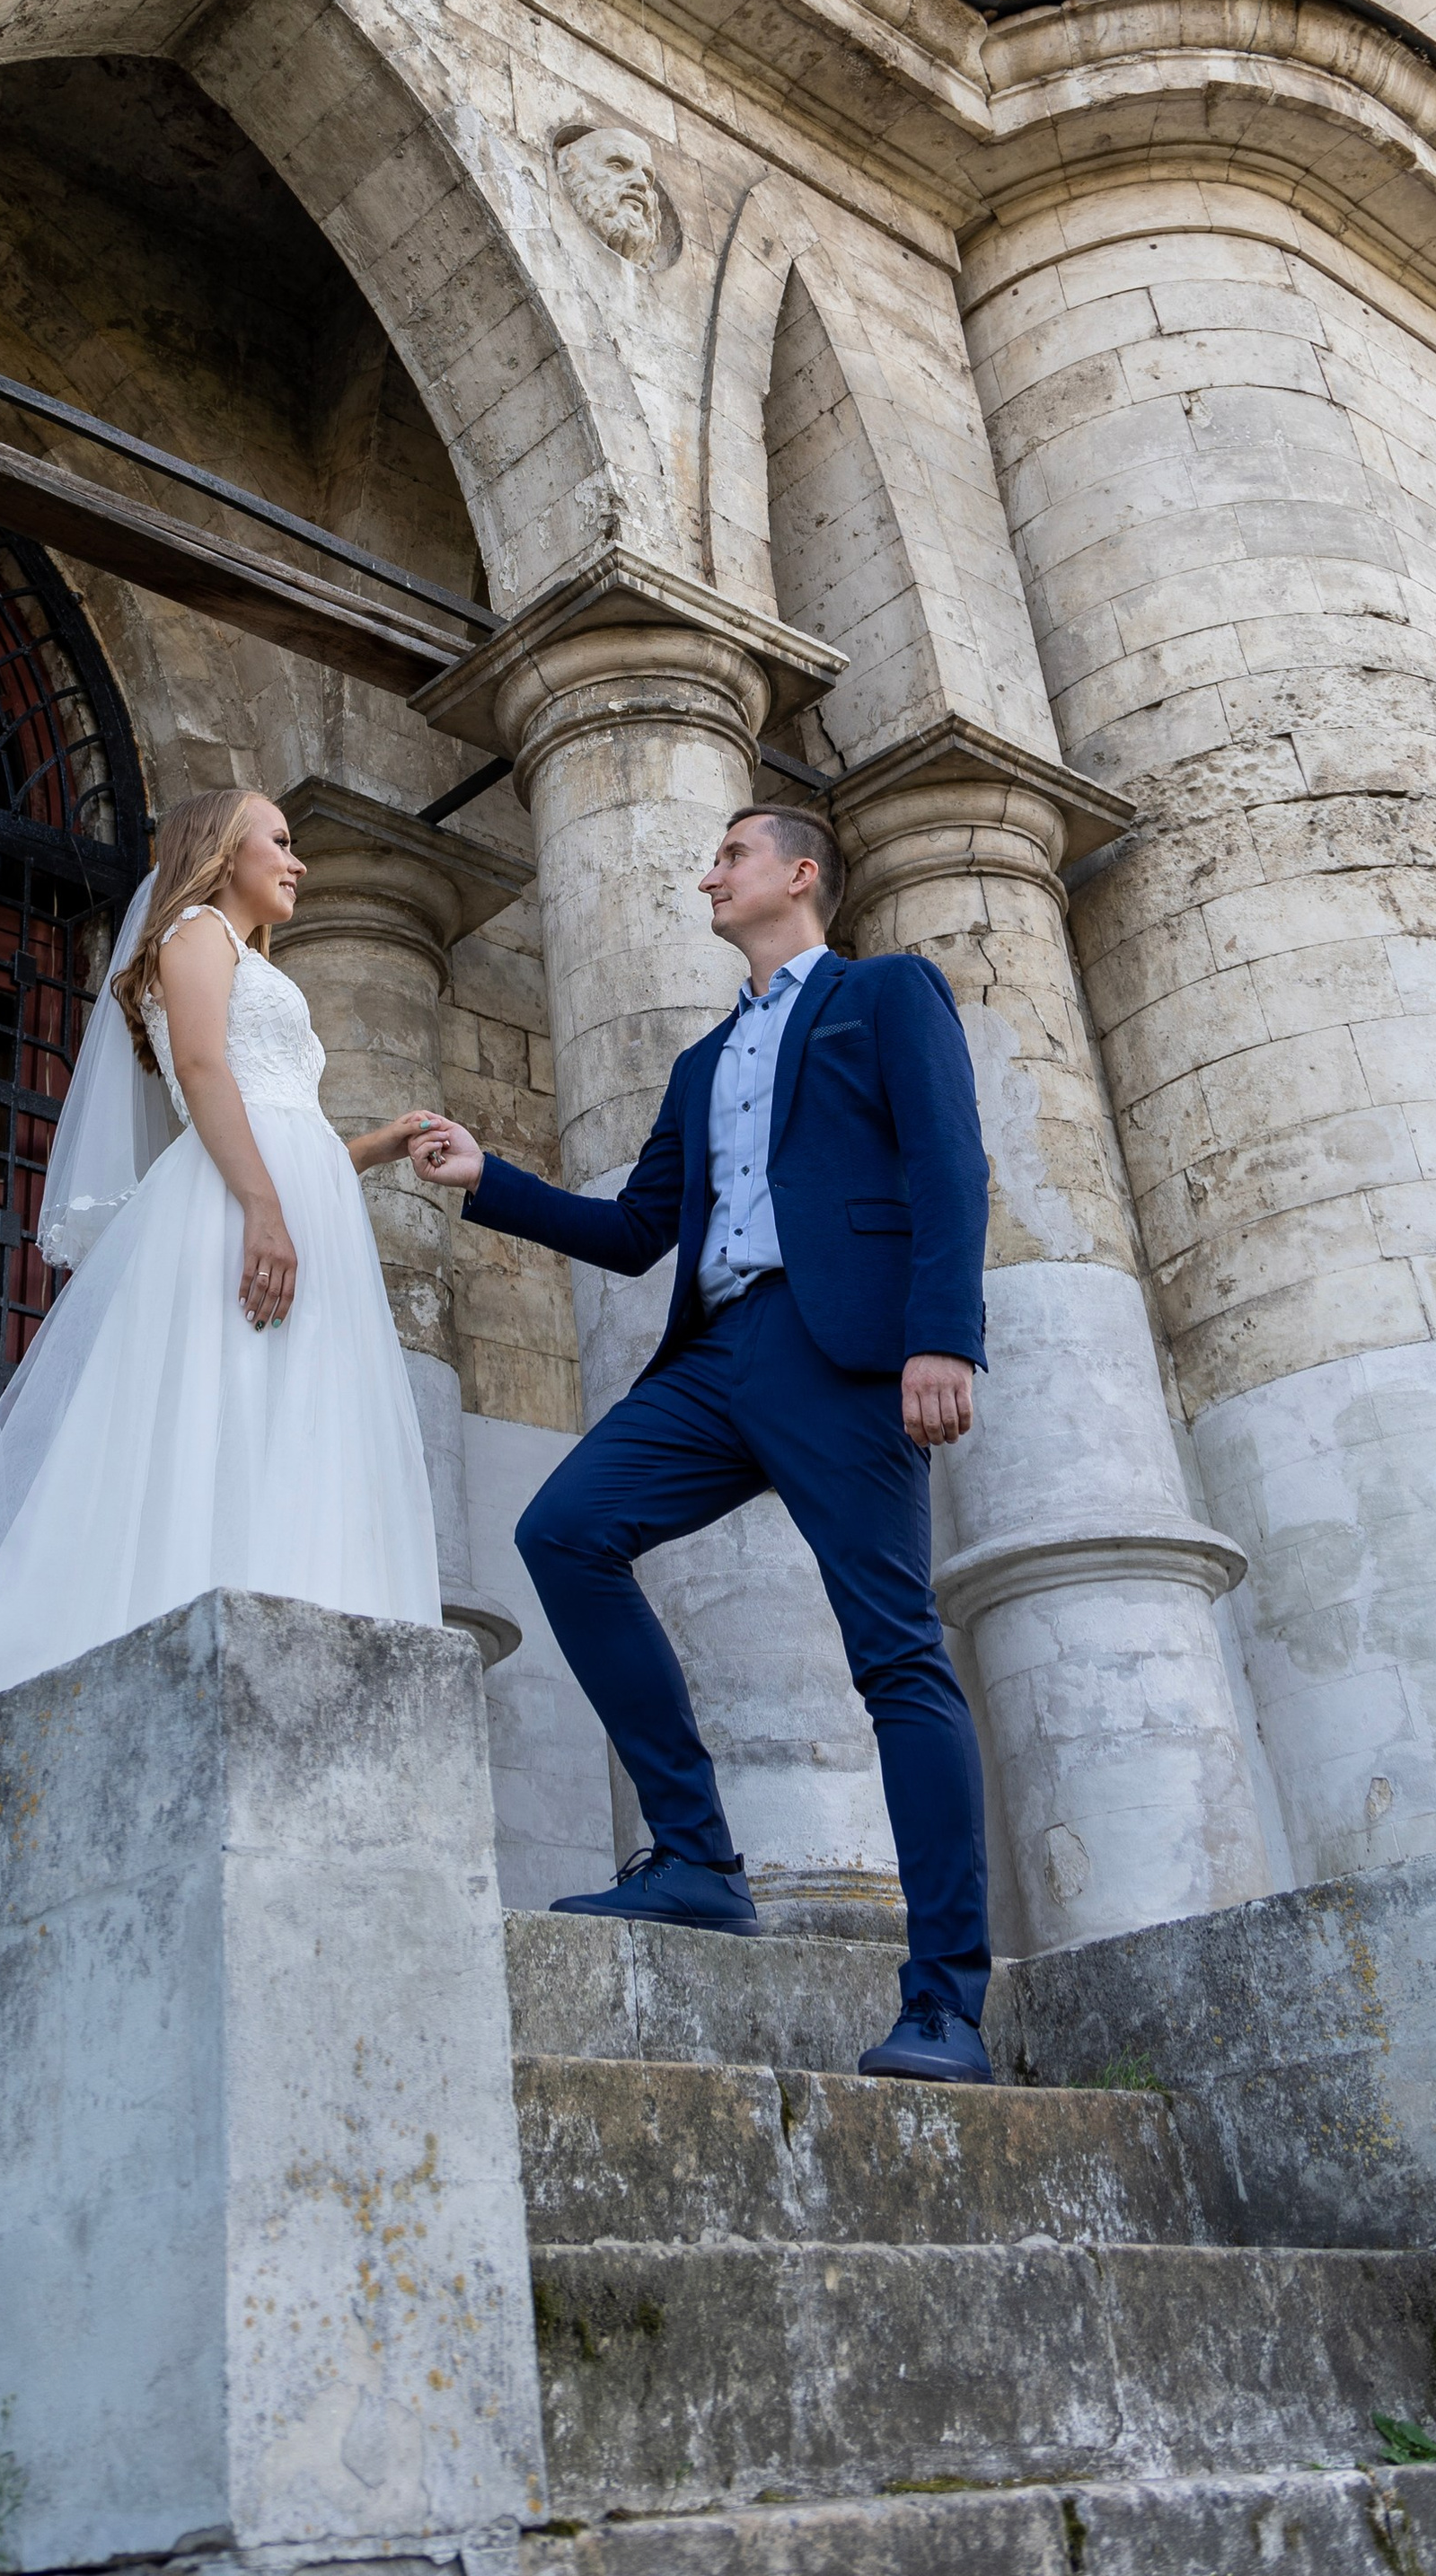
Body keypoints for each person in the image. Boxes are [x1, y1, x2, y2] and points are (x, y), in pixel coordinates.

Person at [413, 804, 996, 2083]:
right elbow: (635, 1232)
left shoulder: (886, 993)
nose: (707, 875)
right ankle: (696, 1860)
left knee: (896, 1657)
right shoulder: (702, 1063)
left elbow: (950, 1159)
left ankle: (947, 2001)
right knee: (564, 1532)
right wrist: (487, 1175)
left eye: (730, 855)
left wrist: (943, 1333)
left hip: (845, 1355)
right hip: (719, 1354)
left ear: (799, 874)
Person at [0, 790, 442, 1760]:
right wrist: (262, 1208)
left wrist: (378, 1145)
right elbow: (205, 1071)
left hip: (291, 1190)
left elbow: (280, 1108)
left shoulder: (249, 957)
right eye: (280, 842)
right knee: (225, 1399)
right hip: (238, 1201)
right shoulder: (196, 931)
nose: (297, 863)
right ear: (223, 850)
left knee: (288, 1418)